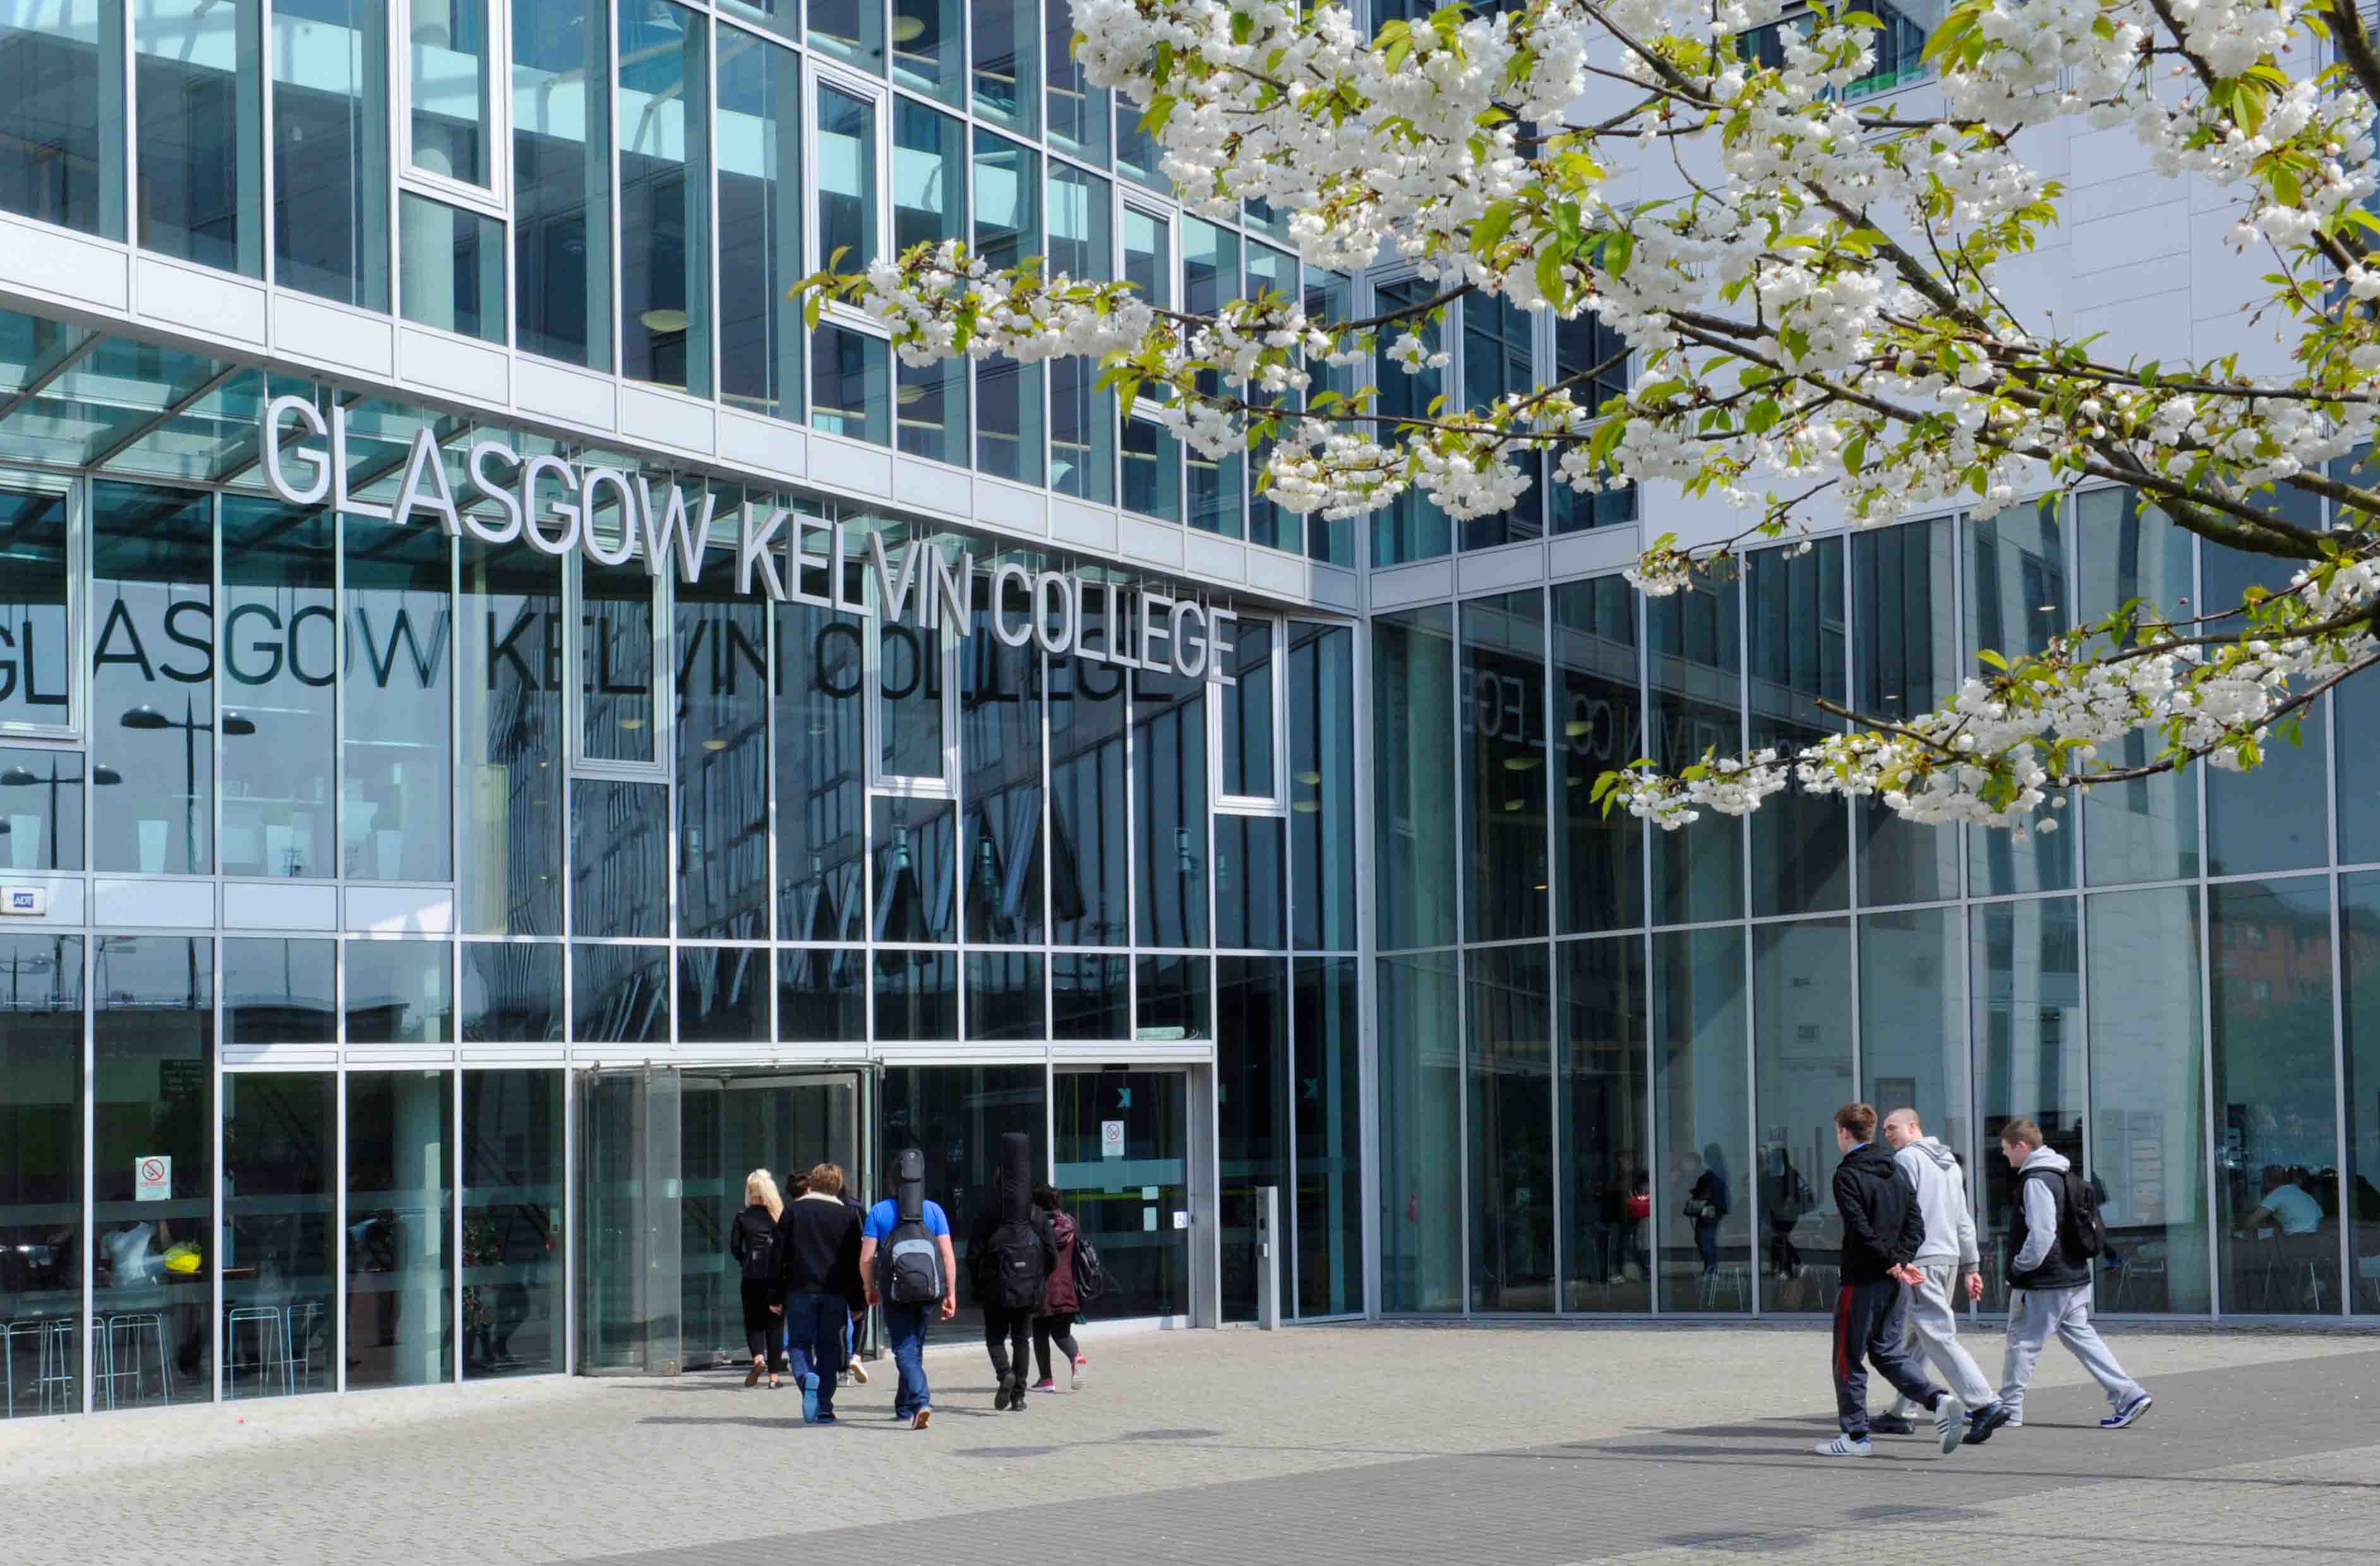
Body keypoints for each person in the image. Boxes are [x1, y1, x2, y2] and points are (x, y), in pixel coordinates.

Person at [1815, 1102, 1966, 1459]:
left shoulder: (1847, 1175)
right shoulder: (1894, 1170)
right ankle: (1939, 1399)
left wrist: (1891, 1263)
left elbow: (1859, 1228)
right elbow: (1917, 1224)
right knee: (1886, 1353)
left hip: (1863, 1279)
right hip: (1894, 1279)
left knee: (1847, 1358)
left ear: (1844, 1133)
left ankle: (1855, 1437)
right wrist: (1900, 1261)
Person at [1994, 1118, 2152, 1431]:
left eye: (2006, 1150)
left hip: (2045, 1280)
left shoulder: (2036, 1181)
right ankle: (2129, 1394)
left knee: (2022, 1342)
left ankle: (2009, 1409)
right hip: (2075, 1275)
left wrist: (2018, 1267)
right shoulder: (2065, 1174)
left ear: (2021, 1146)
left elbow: (2041, 1236)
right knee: (2083, 1340)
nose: (2004, 1156)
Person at [1870, 1108, 2007, 1444]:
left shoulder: (1907, 1160)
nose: (1887, 1134)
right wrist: (1971, 1266)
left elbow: (1899, 1213)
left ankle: (1984, 1403)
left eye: (1893, 1128)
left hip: (1922, 1260)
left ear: (1913, 1126)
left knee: (1937, 1333)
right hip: (1946, 1257)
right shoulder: (1948, 1164)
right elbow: (1963, 1218)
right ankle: (1902, 1412)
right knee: (1919, 1337)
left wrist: (1897, 1258)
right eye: (1885, 1129)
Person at [857, 1152, 958, 1430]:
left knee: (904, 1348)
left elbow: (866, 1258)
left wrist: (869, 1289)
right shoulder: (934, 1211)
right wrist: (951, 1293)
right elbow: (948, 1256)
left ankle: (921, 1401)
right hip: (927, 1291)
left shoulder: (879, 1211)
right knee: (915, 1347)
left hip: (895, 1291)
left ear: (892, 1182)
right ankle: (905, 1406)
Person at [968, 1132, 1057, 1412]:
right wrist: (1039, 1278)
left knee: (995, 1337)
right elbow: (1051, 1254)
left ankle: (1004, 1373)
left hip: (996, 1289)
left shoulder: (989, 1214)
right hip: (1028, 1289)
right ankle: (1019, 1396)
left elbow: (973, 1254)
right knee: (1022, 1339)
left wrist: (977, 1283)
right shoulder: (1036, 1215)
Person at [781, 1162, 865, 1424]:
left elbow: (778, 1257)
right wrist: (857, 1301)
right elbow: (854, 1263)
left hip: (799, 1291)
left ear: (812, 1183)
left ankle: (806, 1378)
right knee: (829, 1348)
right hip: (835, 1293)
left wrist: (774, 1295)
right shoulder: (848, 1216)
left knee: (798, 1344)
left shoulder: (793, 1211)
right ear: (838, 1185)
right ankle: (825, 1408)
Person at [730, 1170, 786, 1390]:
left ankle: (758, 1360)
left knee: (753, 1321)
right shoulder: (779, 1215)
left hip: (751, 1276)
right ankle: (774, 1377)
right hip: (774, 1277)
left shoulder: (742, 1216)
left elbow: (735, 1247)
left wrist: (745, 1261)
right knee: (775, 1325)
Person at [1028, 1183, 1084, 1393]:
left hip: (1042, 1288)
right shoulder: (1071, 1223)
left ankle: (1046, 1379)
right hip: (1067, 1288)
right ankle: (1076, 1357)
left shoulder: (1036, 1225)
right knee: (1061, 1333)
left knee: (1040, 1331)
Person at [2235, 1164, 2324, 1236]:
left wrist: (2238, 1225)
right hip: (2313, 1238)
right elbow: (2320, 1218)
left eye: (2262, 1180)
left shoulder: (2277, 1194)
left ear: (2267, 1181)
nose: (2261, 1185)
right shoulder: (2303, 1194)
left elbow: (2251, 1223)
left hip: (2296, 1241)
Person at [1687, 1143, 1730, 1280]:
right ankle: (1710, 1269)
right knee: (1706, 1238)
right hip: (1714, 1208)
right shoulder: (1718, 1170)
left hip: (1711, 1209)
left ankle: (1711, 1270)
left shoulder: (1714, 1172)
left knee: (1705, 1238)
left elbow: (1711, 1190)